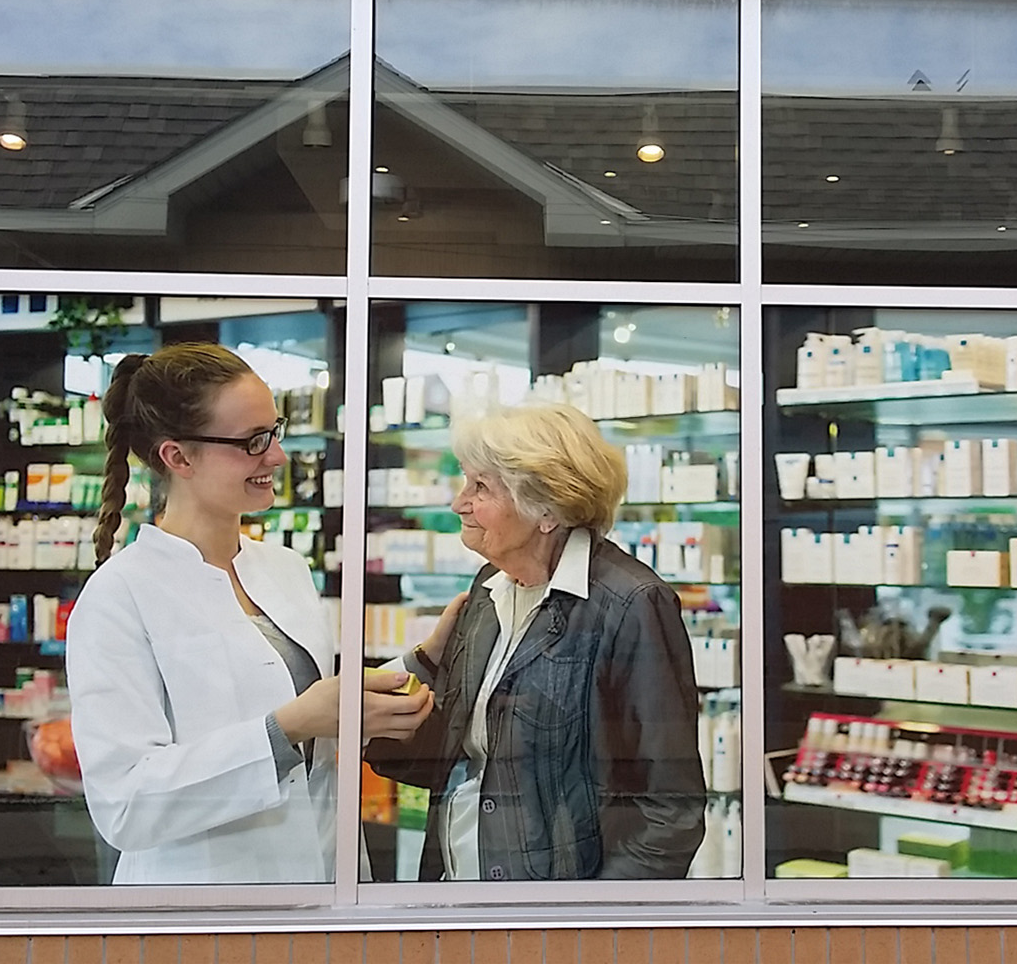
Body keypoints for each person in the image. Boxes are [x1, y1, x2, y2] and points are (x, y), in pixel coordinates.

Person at [66, 342, 433, 885]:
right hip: (200, 903)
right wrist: (288, 728)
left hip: (326, 885)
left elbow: (315, 724)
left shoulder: (284, 568)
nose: (278, 457)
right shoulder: (119, 596)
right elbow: (126, 803)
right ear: (178, 457)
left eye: (275, 430)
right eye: (252, 441)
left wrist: (421, 661)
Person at [368, 402, 706, 881]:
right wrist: (421, 664)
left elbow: (669, 808)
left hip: (553, 918)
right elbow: (448, 756)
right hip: (456, 889)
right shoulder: (488, 589)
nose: (458, 503)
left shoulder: (630, 605)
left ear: (546, 509)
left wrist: (594, 928)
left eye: (480, 487)